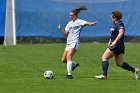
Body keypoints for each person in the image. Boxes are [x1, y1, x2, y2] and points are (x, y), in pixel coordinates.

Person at [95, 10, 139, 80]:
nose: (111, 18)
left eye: (112, 17)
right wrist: (110, 40)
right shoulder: (116, 24)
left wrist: (115, 41)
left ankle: (104, 75)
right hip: (119, 45)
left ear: (115, 18)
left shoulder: (119, 23)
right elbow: (114, 34)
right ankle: (134, 70)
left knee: (104, 57)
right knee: (119, 63)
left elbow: (121, 32)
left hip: (116, 45)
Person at [58, 6, 97, 79]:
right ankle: (74, 64)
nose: (70, 17)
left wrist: (91, 23)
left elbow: (87, 23)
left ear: (75, 15)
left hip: (75, 42)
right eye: (69, 15)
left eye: (72, 15)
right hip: (68, 43)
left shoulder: (79, 21)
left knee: (69, 56)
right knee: (63, 60)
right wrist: (61, 29)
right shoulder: (69, 23)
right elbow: (65, 34)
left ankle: (69, 75)